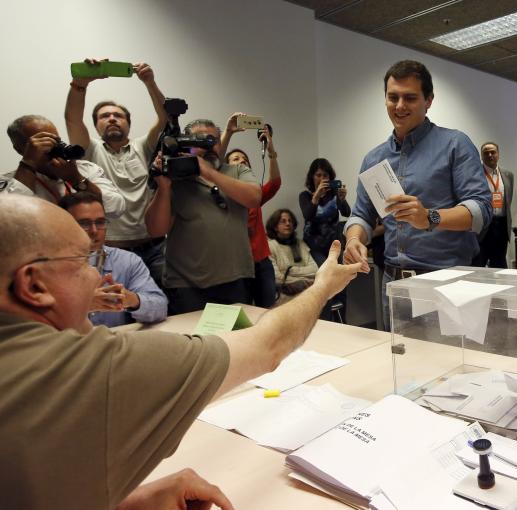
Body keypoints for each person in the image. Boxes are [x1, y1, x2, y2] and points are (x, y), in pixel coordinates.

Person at [0, 193, 361, 509]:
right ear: (33, 285)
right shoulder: (89, 369)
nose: (97, 277)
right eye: (82, 262)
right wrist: (324, 286)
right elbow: (268, 346)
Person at [342, 60, 491, 328]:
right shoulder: (374, 159)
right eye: (393, 97)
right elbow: (361, 215)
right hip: (394, 285)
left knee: (449, 366)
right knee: (401, 367)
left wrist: (430, 218)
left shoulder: (455, 144)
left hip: (446, 283)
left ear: (429, 100)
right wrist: (354, 239)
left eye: (410, 98)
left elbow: (481, 209)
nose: (400, 106)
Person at [64, 59, 168, 284]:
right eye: (104, 116)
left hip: (154, 248)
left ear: (128, 124)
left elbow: (164, 118)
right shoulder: (89, 150)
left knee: (162, 307)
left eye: (118, 116)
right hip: (111, 251)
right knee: (115, 308)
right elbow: (72, 119)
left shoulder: (143, 147)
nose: (112, 118)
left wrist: (149, 83)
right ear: (96, 126)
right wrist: (79, 84)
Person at [144, 119, 261, 314]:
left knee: (236, 340)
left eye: (212, 141)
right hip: (187, 285)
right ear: (185, 145)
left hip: (235, 280)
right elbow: (156, 229)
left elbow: (254, 198)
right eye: (199, 141)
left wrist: (209, 173)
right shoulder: (174, 178)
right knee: (192, 342)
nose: (208, 146)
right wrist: (164, 187)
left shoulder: (237, 170)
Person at [58, 192, 167, 327]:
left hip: (114, 342)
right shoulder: (45, 265)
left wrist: (131, 300)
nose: (94, 230)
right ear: (63, 226)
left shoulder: (127, 261)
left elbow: (160, 308)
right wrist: (80, 305)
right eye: (84, 223)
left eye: (100, 222)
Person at [3, 115, 125, 218]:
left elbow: (115, 208)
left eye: (56, 140)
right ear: (20, 149)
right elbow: (9, 215)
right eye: (42, 141)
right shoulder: (10, 182)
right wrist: (28, 162)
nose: (52, 145)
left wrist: (76, 179)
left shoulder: (86, 169)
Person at [222, 117, 282, 308]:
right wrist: (229, 132)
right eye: (236, 159)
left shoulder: (254, 196)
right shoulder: (220, 195)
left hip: (262, 263)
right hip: (236, 266)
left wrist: (271, 150)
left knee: (268, 313)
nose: (242, 162)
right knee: (242, 314)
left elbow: (275, 183)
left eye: (245, 160)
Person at [299, 158, 351, 265]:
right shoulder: (305, 196)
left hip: (334, 245)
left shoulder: (334, 194)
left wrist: (342, 199)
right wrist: (316, 196)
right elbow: (308, 215)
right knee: (325, 275)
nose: (322, 179)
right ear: (312, 177)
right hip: (313, 247)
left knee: (337, 278)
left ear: (330, 177)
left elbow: (346, 213)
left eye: (325, 175)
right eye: (318, 175)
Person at [472, 141, 514, 268]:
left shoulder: (508, 175)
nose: (490, 155)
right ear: (481, 156)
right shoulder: (474, 174)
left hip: (501, 226)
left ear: (498, 154)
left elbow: (508, 200)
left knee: (500, 266)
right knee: (478, 265)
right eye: (486, 153)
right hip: (482, 226)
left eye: (493, 152)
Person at [267, 208, 318, 303]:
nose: (288, 224)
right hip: (284, 294)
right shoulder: (270, 246)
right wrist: (301, 281)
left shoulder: (301, 244)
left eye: (290, 221)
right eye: (283, 221)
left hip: (308, 289)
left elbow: (314, 269)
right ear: (275, 227)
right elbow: (276, 277)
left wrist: (289, 270)